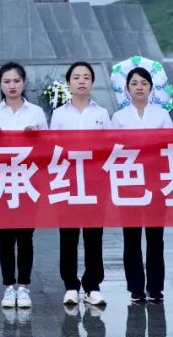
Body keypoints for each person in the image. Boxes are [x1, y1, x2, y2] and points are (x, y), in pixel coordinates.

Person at [0, 62, 47, 310]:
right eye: (7, 81)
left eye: (16, 81)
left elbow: (49, 148)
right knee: (6, 238)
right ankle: (9, 286)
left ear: (23, 83)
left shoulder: (36, 113)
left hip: (28, 181)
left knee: (26, 237)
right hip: (2, 182)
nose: (12, 86)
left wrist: (36, 138)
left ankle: (24, 286)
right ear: (0, 84)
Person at [49, 61, 110, 308]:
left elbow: (109, 147)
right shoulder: (59, 114)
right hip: (68, 180)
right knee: (68, 235)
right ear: (69, 83)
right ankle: (71, 285)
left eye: (86, 77)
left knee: (94, 235)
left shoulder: (101, 113)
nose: (81, 81)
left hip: (95, 181)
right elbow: (53, 148)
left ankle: (93, 285)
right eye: (76, 77)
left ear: (92, 82)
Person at [111, 66, 173, 304]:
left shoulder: (162, 115)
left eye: (144, 83)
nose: (139, 87)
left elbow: (171, 146)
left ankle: (155, 287)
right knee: (132, 237)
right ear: (127, 89)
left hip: (156, 182)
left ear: (151, 88)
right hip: (129, 183)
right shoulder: (119, 117)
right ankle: (136, 288)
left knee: (156, 237)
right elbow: (112, 149)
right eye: (134, 83)